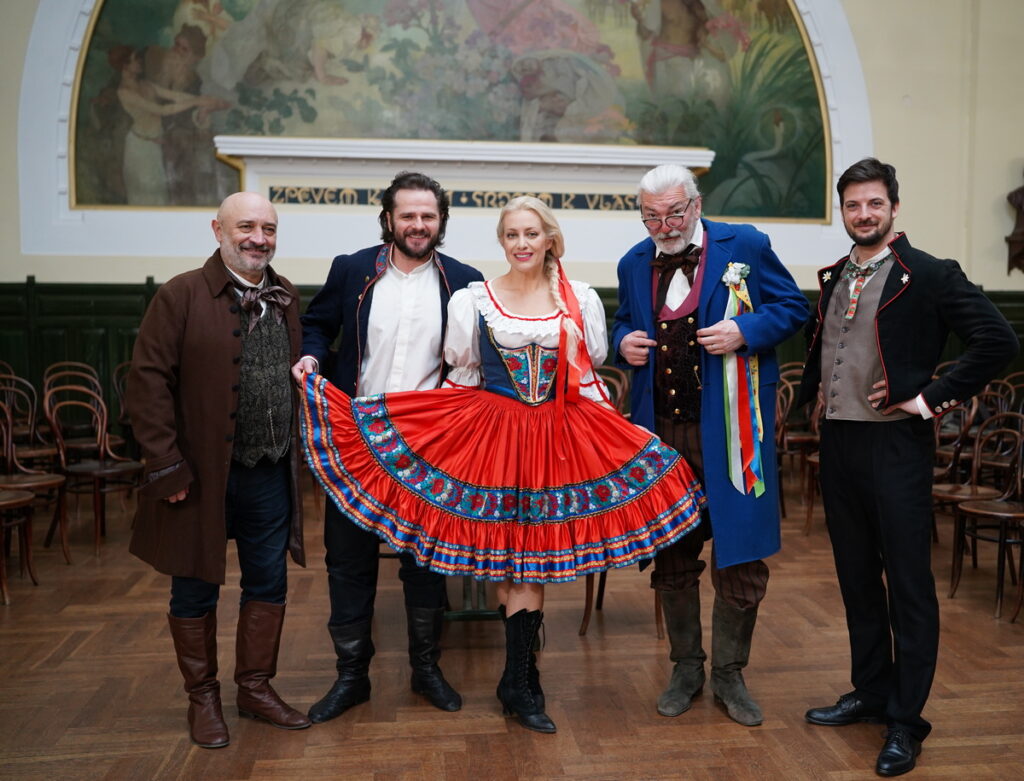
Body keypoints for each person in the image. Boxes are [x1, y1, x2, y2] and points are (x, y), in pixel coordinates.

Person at [298, 195, 706, 734]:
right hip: (493, 440)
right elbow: (462, 377)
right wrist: (428, 440)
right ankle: (515, 680)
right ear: (501, 241)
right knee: (504, 563)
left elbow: (585, 380)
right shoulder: (474, 299)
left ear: (549, 239)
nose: (521, 243)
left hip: (552, 443)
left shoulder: (579, 299)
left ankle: (518, 679)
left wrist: (619, 440)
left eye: (531, 234)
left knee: (529, 564)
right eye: (511, 234)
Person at [798, 158, 1018, 777]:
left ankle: (906, 719)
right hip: (839, 445)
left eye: (874, 203)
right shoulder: (837, 275)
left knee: (909, 587)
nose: (863, 214)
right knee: (857, 579)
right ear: (843, 212)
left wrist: (927, 399)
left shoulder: (930, 273)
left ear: (894, 207)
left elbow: (998, 342)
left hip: (896, 447)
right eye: (852, 205)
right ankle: (871, 691)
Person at [613, 164, 807, 727]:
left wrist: (746, 330)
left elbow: (793, 307)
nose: (665, 226)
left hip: (733, 431)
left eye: (674, 213)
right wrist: (624, 341)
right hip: (662, 437)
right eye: (652, 217)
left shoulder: (744, 244)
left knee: (740, 555)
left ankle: (729, 674)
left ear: (696, 206)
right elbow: (624, 321)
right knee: (673, 554)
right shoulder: (633, 262)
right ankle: (686, 669)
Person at [292, 172, 483, 723]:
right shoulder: (352, 269)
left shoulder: (464, 282)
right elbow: (316, 325)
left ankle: (426, 670)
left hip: (429, 446)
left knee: (424, 563)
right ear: (388, 220)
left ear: (441, 222)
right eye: (408, 216)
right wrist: (310, 356)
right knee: (347, 561)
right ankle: (351, 678)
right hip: (356, 441)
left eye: (428, 216)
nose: (418, 225)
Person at [127, 192, 311, 749]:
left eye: (268, 228)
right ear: (218, 230)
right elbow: (147, 384)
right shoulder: (180, 294)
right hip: (200, 476)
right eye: (246, 226)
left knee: (269, 584)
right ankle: (202, 698)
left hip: (270, 472)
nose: (259, 238)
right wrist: (166, 466)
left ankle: (254, 689)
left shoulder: (285, 295)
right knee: (195, 588)